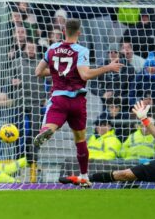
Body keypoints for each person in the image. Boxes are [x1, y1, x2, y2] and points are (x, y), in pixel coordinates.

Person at [34, 19, 124, 187]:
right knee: (80, 140)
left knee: (50, 125)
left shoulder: (52, 49)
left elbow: (38, 72)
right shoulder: (81, 50)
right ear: (79, 33)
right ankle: (84, 176)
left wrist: (56, 72)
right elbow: (84, 75)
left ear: (63, 31)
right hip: (77, 100)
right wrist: (107, 67)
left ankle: (46, 131)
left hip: (59, 98)